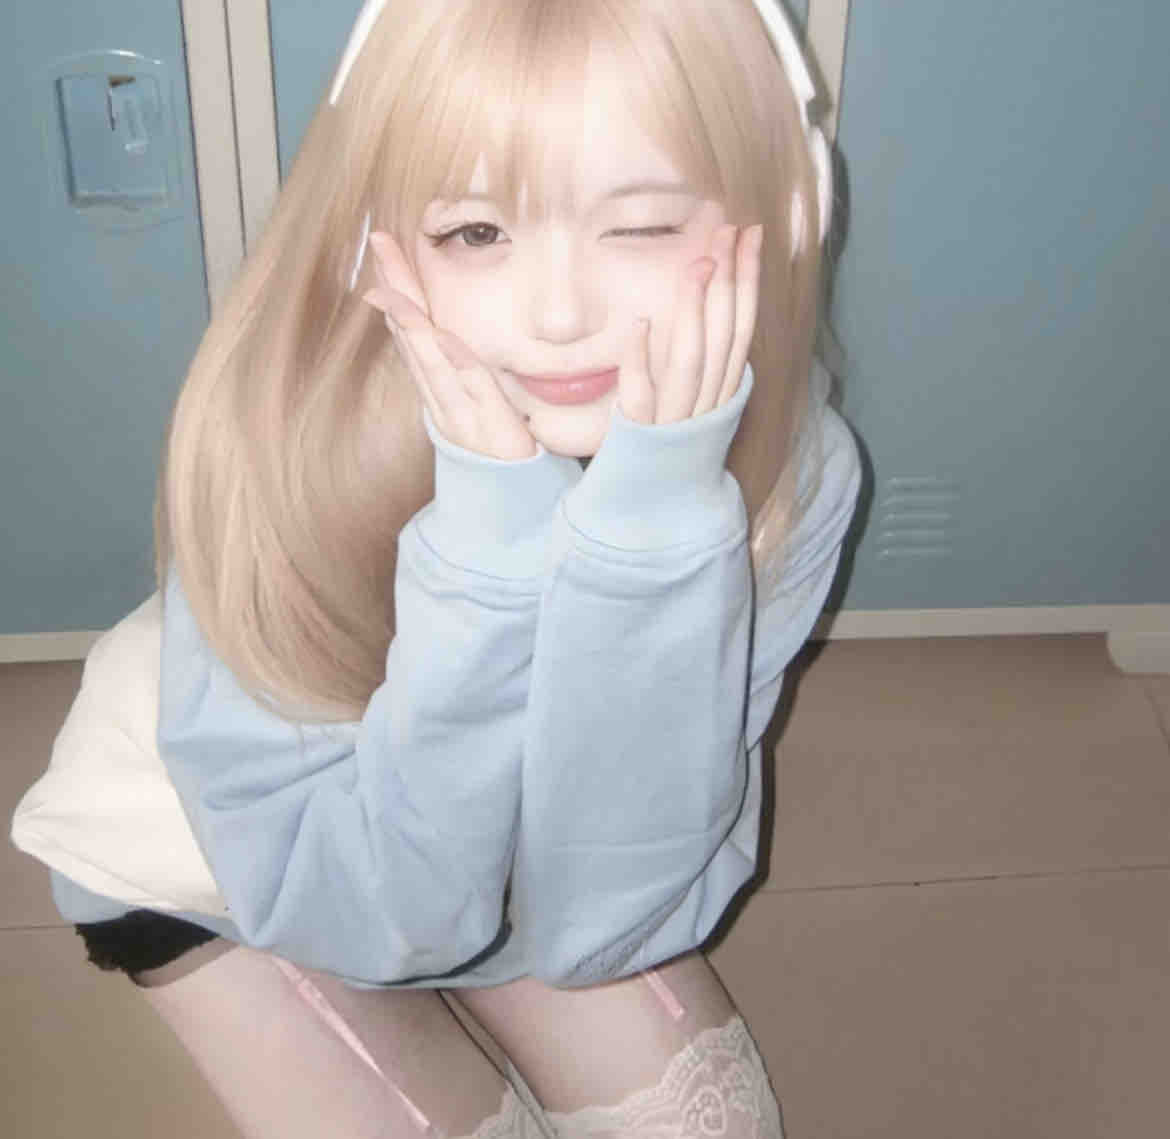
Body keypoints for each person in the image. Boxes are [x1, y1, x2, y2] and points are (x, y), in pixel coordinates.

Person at [12, 0, 861, 1135]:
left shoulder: (788, 469)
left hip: (495, 855)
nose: (559, 313)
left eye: (643, 225)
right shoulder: (282, 450)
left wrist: (659, 536)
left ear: (789, 212)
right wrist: (489, 550)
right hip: (233, 861)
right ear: (374, 242)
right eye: (476, 231)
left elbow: (605, 916)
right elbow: (393, 916)